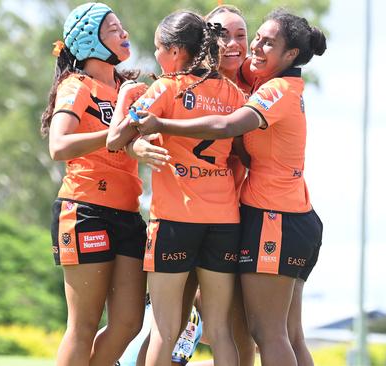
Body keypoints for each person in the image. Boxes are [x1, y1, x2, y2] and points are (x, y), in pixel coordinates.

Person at [129, 8, 326, 366]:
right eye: (224, 34)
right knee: (268, 332)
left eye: (250, 36)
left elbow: (227, 127)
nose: (248, 47)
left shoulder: (271, 88)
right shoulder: (256, 79)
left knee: (265, 333)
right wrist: (138, 142)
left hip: (270, 216)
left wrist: (162, 124)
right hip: (260, 215)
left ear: (291, 54)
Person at [107, 10, 246, 366]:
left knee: (165, 330)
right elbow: (244, 151)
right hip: (224, 221)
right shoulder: (233, 93)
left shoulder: (166, 88)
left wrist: (130, 115)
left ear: (175, 51)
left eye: (158, 48)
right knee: (220, 331)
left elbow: (115, 138)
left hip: (174, 220)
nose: (155, 56)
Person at [40, 3, 168, 365]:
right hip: (84, 211)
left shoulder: (129, 89)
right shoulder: (76, 85)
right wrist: (111, 134)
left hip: (128, 213)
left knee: (129, 322)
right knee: (82, 326)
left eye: (121, 27)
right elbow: (58, 146)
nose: (124, 34)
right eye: (113, 29)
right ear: (89, 40)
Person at [205, 6, 256, 366]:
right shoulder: (190, 81)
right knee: (170, 320)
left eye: (241, 35)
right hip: (195, 214)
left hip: (247, 215)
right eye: (224, 35)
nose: (234, 44)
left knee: (242, 327)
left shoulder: (262, 86)